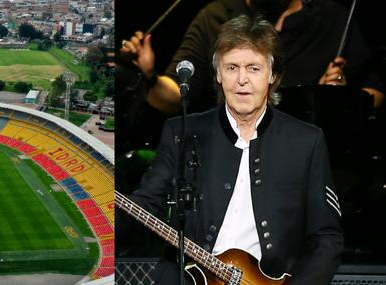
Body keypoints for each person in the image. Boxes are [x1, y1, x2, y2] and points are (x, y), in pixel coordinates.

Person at [117, 15, 344, 284]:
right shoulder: (182, 132)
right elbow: (147, 202)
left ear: (273, 75)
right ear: (218, 74)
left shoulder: (306, 141)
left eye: (253, 68)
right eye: (232, 67)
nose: (242, 80)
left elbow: (327, 238)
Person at [120, 0, 385, 114]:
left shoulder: (332, 19)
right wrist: (150, 77)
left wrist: (341, 103)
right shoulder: (215, 16)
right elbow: (175, 97)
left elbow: (377, 91)